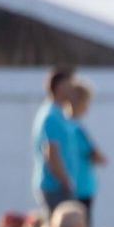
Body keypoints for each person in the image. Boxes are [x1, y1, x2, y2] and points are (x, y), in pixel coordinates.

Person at [32, 67, 87, 215]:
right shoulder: (51, 116)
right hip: (55, 187)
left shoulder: (59, 113)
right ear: (60, 87)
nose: (73, 90)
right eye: (70, 85)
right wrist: (67, 182)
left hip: (60, 186)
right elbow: (51, 153)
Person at [62, 75, 108, 222]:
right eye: (87, 101)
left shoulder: (67, 125)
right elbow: (96, 155)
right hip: (80, 189)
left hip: (77, 188)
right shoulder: (74, 128)